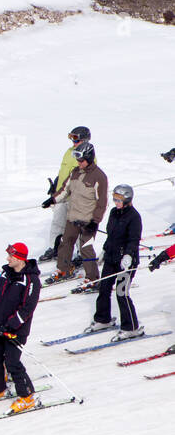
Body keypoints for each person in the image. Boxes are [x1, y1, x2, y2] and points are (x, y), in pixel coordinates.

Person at [0, 243, 42, 413]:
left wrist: (10, 325)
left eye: (11, 257)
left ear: (20, 259)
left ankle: (27, 396)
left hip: (16, 330)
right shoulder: (6, 273)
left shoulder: (31, 280)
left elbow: (27, 308)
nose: (8, 259)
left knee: (12, 362)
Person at [86, 184, 144, 341]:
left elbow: (134, 240)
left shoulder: (134, 217)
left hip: (126, 262)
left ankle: (131, 327)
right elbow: (111, 235)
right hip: (111, 258)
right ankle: (103, 319)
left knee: (121, 293)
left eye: (119, 200)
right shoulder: (114, 212)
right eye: (114, 199)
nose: (115, 202)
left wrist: (128, 256)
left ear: (127, 199)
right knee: (104, 288)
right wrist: (105, 250)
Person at [51, 142, 107, 283]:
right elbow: (65, 190)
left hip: (88, 220)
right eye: (77, 160)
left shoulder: (99, 176)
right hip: (73, 217)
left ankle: (92, 278)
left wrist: (95, 222)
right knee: (65, 243)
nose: (78, 163)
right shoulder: (75, 172)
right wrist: (52, 200)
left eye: (81, 160)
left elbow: (102, 203)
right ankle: (64, 269)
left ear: (89, 158)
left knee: (85, 247)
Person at [40, 127, 90, 261]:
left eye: (76, 139)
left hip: (77, 198)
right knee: (57, 222)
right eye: (71, 138)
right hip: (62, 195)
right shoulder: (69, 152)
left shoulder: (88, 153)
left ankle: (81, 253)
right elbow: (63, 172)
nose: (73, 142)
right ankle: (54, 248)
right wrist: (56, 187)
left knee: (79, 226)